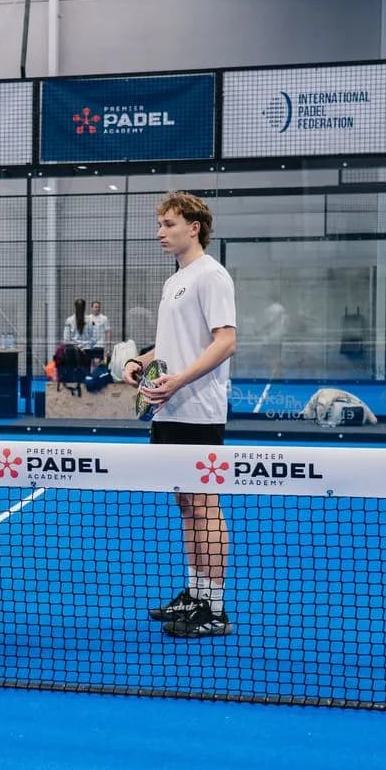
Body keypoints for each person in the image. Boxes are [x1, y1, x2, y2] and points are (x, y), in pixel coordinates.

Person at [121, 192, 237, 639]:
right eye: (160, 224)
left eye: (169, 224)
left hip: (198, 411)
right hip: (168, 410)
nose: (160, 232)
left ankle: (216, 609)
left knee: (205, 505)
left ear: (194, 227)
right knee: (185, 504)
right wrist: (141, 361)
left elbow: (225, 341)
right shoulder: (177, 280)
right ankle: (196, 592)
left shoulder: (212, 276)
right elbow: (170, 347)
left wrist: (178, 381)